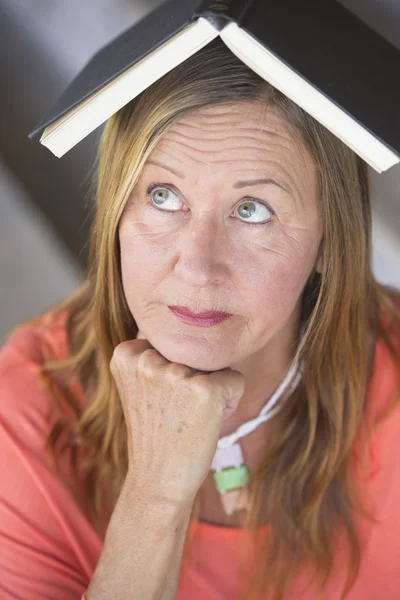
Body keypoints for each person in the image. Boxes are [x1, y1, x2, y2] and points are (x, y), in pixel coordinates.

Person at [0, 38, 399, 600]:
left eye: (252, 211)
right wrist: (156, 495)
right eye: (163, 196)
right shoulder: (23, 416)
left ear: (330, 241)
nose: (197, 266)